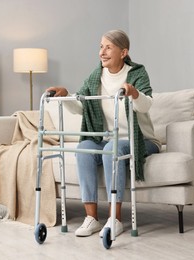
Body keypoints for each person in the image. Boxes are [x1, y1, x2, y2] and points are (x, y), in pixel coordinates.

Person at [46, 29, 161, 237]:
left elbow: (146, 105)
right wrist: (65, 95)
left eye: (109, 47)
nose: (102, 52)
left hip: (141, 139)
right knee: (84, 148)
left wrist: (134, 93)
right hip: (109, 137)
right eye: (101, 47)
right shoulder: (95, 76)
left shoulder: (137, 73)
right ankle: (91, 219)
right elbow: (81, 105)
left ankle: (114, 219)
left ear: (123, 52)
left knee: (112, 148)